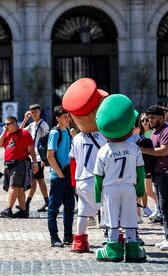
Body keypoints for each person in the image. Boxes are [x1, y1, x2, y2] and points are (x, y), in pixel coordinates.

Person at [94, 94, 146, 262]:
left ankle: (113, 248)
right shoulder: (134, 148)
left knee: (111, 217)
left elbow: (98, 176)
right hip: (129, 187)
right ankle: (132, 247)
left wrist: (97, 196)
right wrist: (140, 189)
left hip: (110, 188)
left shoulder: (103, 150)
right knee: (130, 217)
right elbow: (140, 171)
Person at [63, 78, 108, 253]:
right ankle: (112, 238)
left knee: (82, 211)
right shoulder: (104, 136)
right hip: (98, 178)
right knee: (107, 208)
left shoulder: (76, 138)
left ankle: (80, 241)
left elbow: (72, 160)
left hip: (81, 180)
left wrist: (74, 183)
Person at [139, 105, 168, 250]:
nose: (149, 120)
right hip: (159, 173)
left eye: (152, 117)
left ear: (162, 118)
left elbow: (164, 151)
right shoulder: (155, 132)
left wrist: (141, 150)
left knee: (166, 207)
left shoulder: (167, 131)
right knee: (163, 207)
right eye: (148, 117)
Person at [0, 116, 38, 218]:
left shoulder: (24, 133)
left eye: (8, 124)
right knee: (19, 188)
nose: (6, 126)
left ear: (14, 123)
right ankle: (23, 211)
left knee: (13, 186)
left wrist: (35, 163)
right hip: (9, 164)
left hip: (20, 163)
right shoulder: (7, 134)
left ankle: (8, 209)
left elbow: (31, 148)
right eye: (5, 124)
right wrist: (4, 131)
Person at [46, 106, 74, 247]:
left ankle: (68, 236)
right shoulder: (54, 133)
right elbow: (50, 156)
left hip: (68, 174)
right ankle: (54, 238)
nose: (67, 119)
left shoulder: (68, 131)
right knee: (53, 209)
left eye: (68, 116)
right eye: (64, 117)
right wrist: (60, 174)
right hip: (58, 176)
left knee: (70, 207)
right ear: (57, 118)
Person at [19, 104, 50, 212]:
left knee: (38, 180)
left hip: (39, 157)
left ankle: (31, 203)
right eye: (31, 112)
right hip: (33, 157)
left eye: (35, 112)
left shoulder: (44, 125)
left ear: (39, 112)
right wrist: (25, 119)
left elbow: (47, 142)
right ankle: (45, 202)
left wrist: (44, 159)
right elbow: (19, 131)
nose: (33, 114)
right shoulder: (31, 125)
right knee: (36, 180)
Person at [138, 113, 158, 219]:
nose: (145, 122)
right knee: (145, 190)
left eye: (146, 120)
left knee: (150, 191)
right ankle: (150, 208)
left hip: (151, 164)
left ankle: (159, 208)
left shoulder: (154, 133)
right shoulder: (140, 134)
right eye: (142, 120)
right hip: (142, 164)